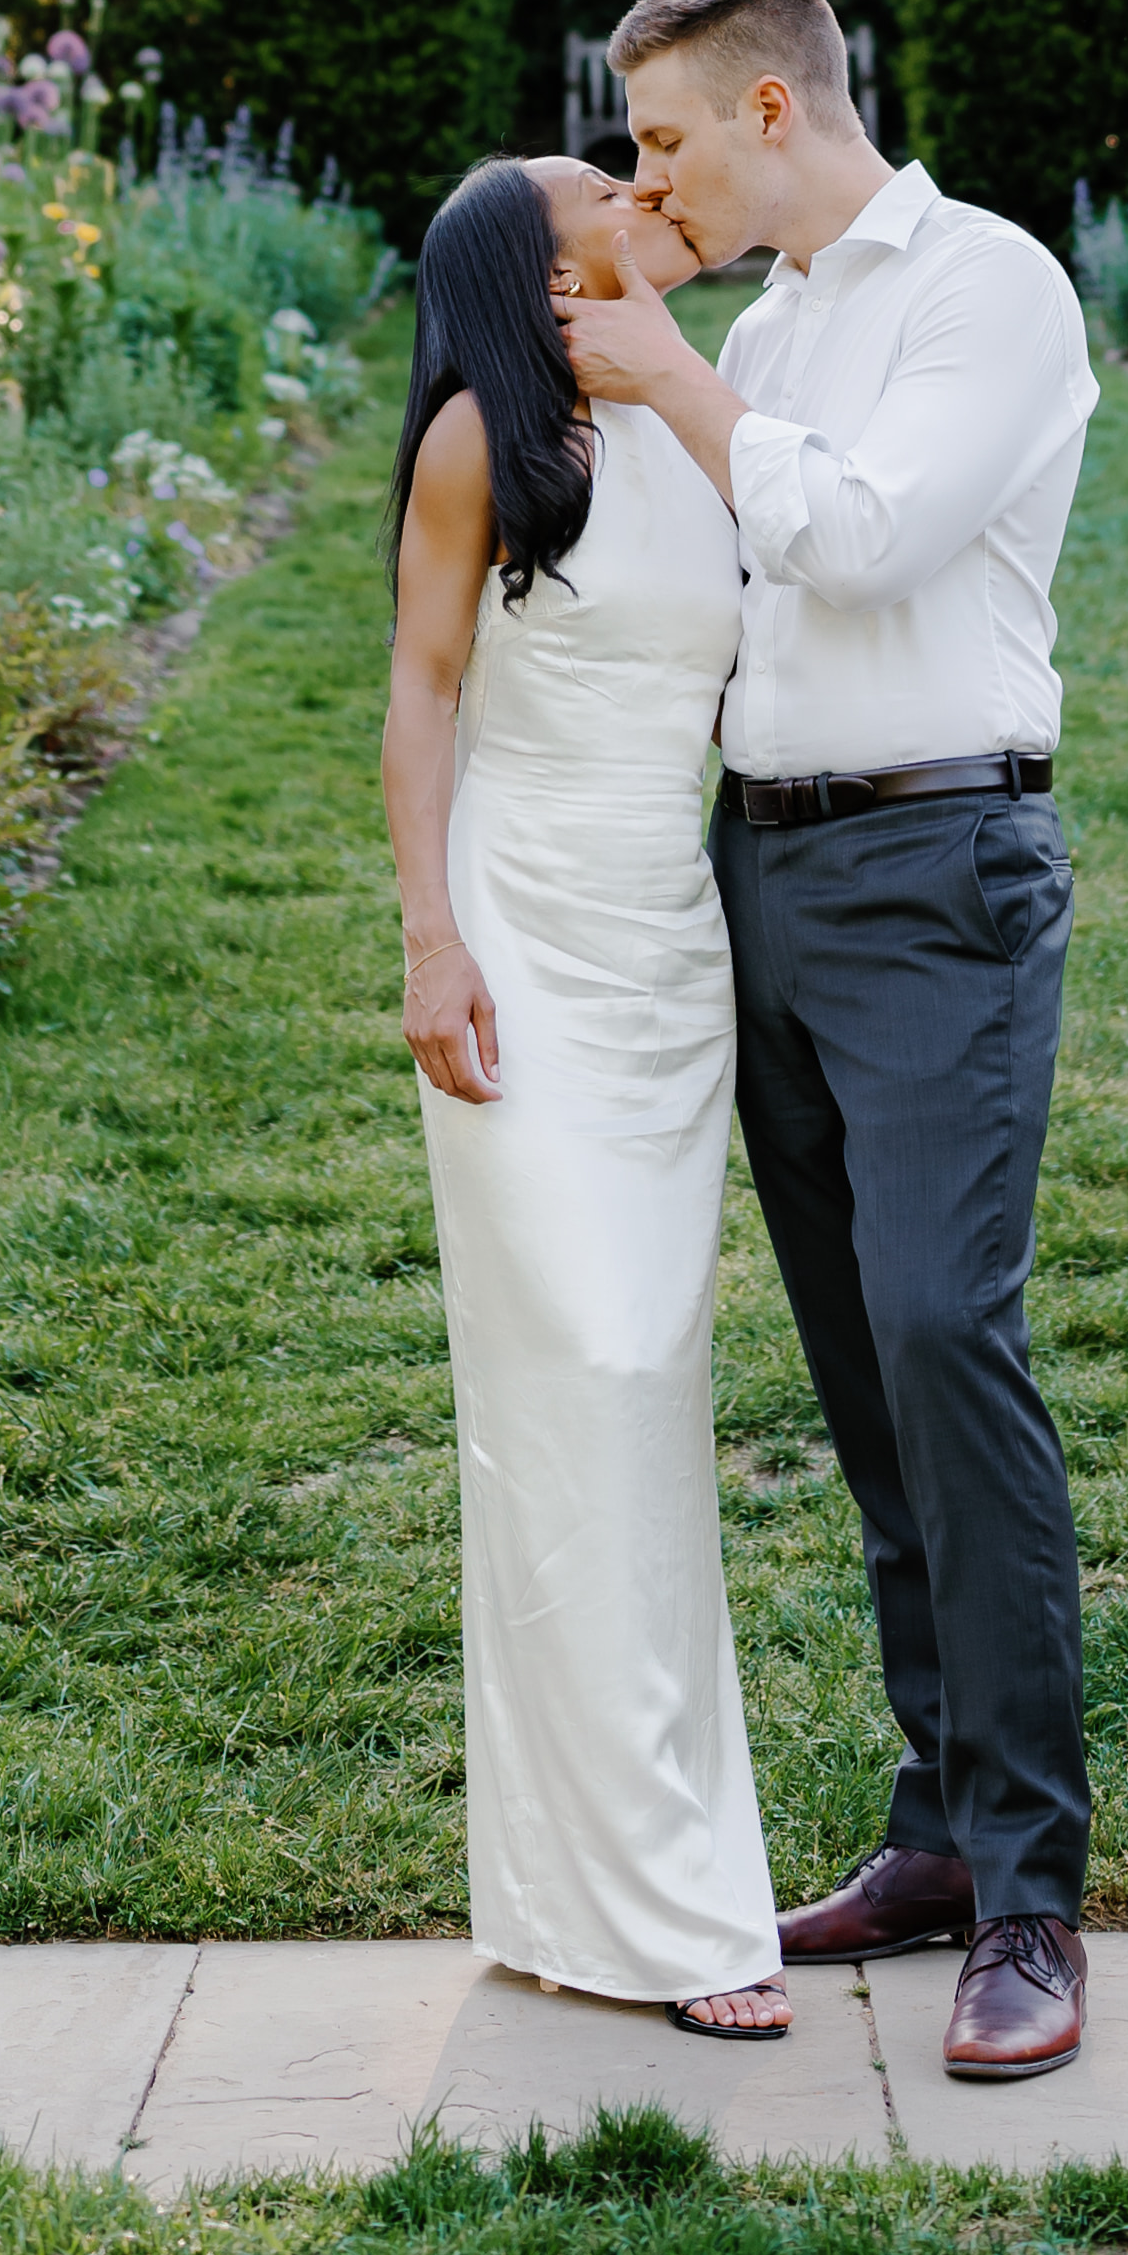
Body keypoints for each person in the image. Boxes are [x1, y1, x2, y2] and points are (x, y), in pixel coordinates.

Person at [563, 0, 1105, 2084]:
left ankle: (1036, 1897)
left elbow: (864, 540)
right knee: (864, 1375)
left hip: (935, 867)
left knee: (947, 1341)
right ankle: (939, 1837)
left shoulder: (983, 286)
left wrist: (687, 388)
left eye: (667, 135)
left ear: (769, 115)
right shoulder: (779, 326)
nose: (646, 175)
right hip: (765, 869)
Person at [378, 149, 788, 2036]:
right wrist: (430, 944)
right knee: (589, 1377)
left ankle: (569, 1897)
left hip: (666, 950)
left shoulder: (708, 425)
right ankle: (676, 1919)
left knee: (637, 1395)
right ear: (550, 277)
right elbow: (422, 695)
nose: (643, 182)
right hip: (525, 938)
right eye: (599, 186)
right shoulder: (482, 446)